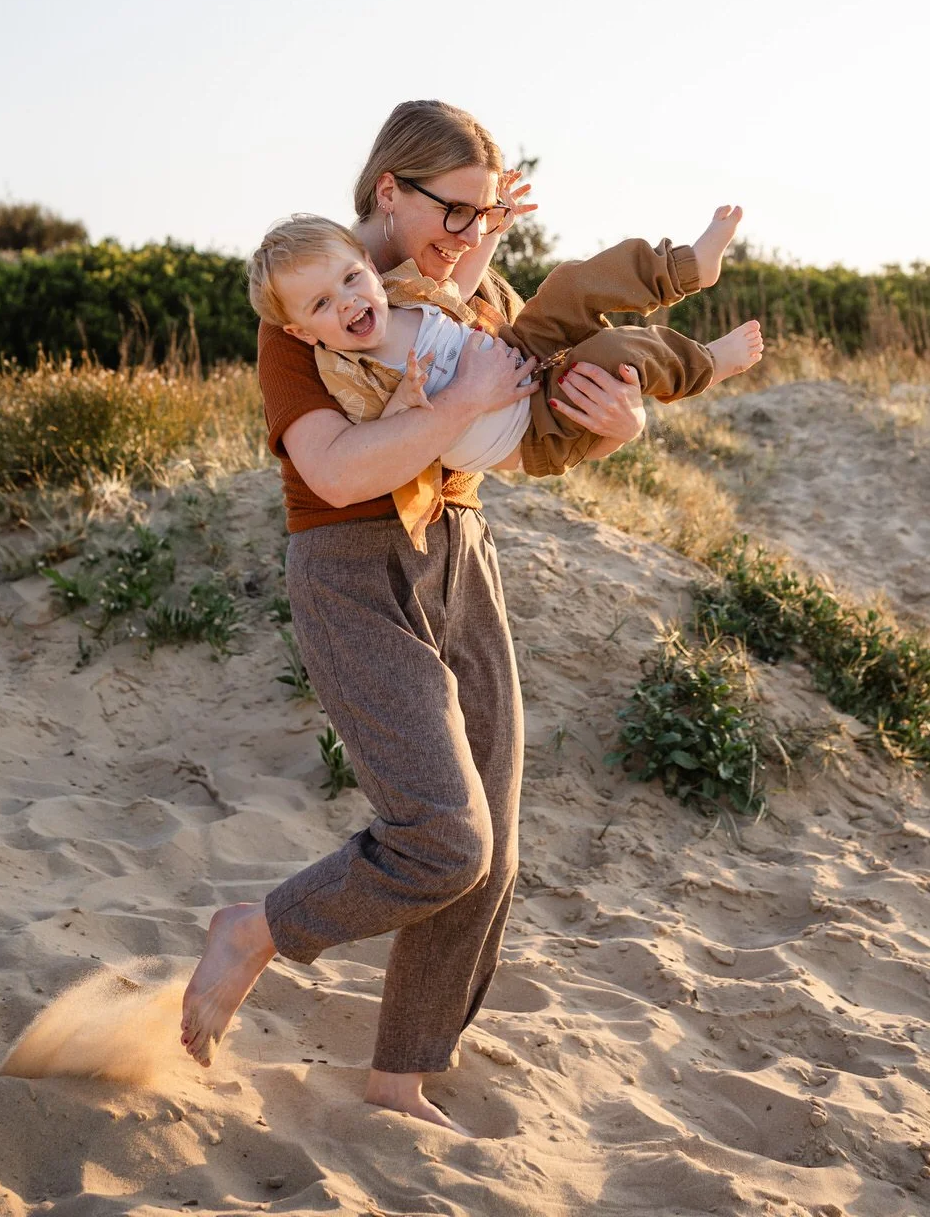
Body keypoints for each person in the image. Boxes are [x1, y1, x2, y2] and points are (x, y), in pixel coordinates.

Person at [181, 100, 649, 1133]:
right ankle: (255, 928)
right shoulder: (305, 300)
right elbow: (333, 466)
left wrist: (619, 424)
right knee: (443, 836)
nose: (474, 231)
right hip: (351, 568)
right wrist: (443, 408)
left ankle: (400, 1077)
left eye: (491, 213)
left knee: (496, 847)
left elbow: (524, 428)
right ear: (388, 189)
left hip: (458, 556)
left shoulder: (476, 289)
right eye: (456, 209)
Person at [245, 207, 762, 548]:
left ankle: (685, 267)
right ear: (301, 331)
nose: (348, 301)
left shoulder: (401, 291)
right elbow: (381, 441)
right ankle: (711, 364)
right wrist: (407, 398)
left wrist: (489, 236)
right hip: (531, 427)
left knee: (569, 284)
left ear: (366, 264)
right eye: (322, 304)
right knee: (612, 351)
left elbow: (461, 289)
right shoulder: (345, 369)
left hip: (514, 354)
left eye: (351, 278)